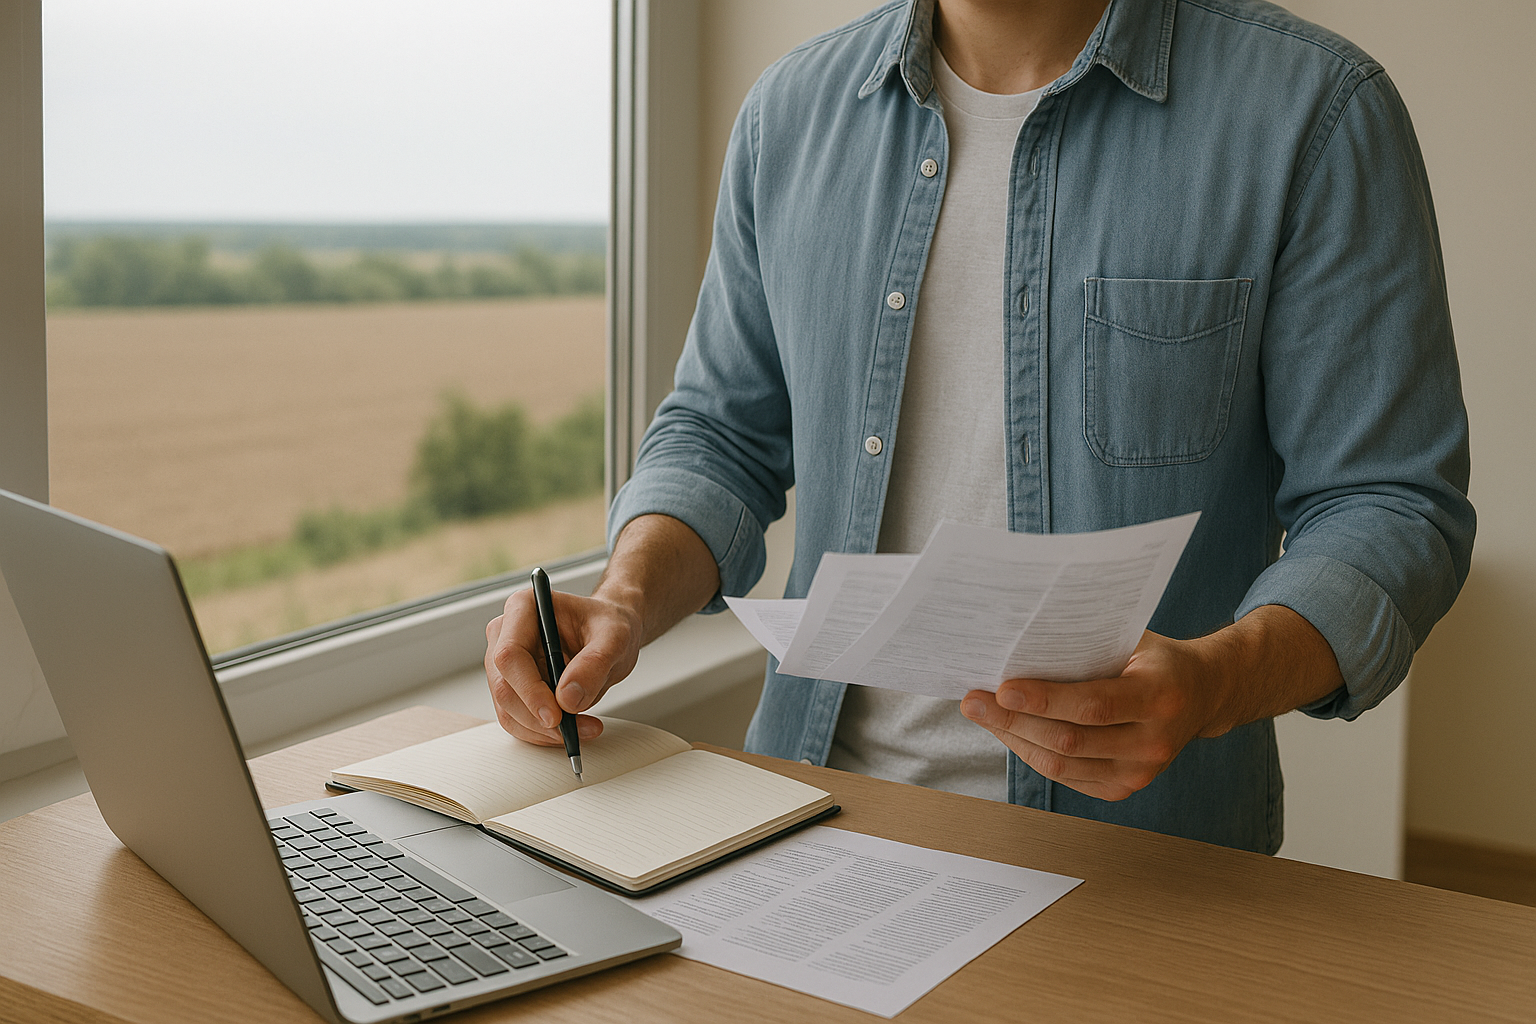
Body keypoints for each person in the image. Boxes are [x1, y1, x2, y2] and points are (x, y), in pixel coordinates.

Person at [485, 0, 1474, 854]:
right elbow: (718, 435)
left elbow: (1388, 503)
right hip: (805, 825)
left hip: (1142, 867)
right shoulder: (787, 119)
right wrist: (622, 598)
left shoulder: (1314, 114)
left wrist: (1217, 681)